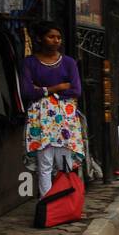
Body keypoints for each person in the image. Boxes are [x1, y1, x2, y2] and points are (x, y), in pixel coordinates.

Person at [19, 22, 84, 197]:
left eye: (58, 37)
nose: (56, 40)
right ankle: (46, 205)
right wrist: (57, 87)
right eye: (51, 36)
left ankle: (67, 203)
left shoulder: (69, 62)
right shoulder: (29, 63)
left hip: (65, 119)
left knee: (65, 164)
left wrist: (41, 90)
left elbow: (76, 90)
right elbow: (26, 91)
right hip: (40, 120)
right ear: (40, 38)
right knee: (44, 164)